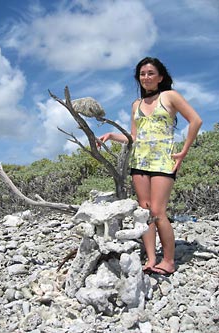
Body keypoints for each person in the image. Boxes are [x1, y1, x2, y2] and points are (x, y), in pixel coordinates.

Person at [98, 57, 202, 275]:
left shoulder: (169, 96)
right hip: (140, 162)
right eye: (142, 74)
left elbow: (196, 120)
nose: (146, 77)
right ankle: (151, 258)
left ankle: (169, 261)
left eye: (150, 73)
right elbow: (134, 137)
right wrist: (111, 135)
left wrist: (183, 151)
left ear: (160, 77)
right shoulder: (136, 104)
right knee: (144, 212)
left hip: (164, 161)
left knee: (158, 211)